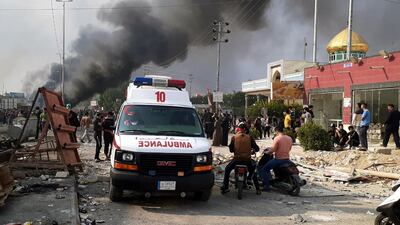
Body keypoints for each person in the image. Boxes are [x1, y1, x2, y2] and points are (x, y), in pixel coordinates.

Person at [220, 124, 261, 195]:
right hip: (247, 161)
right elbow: (257, 149)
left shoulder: (234, 137)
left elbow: (231, 150)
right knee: (253, 169)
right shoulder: (250, 137)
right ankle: (257, 188)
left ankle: (225, 187)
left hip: (236, 160)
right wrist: (252, 150)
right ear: (245, 130)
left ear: (239, 130)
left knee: (227, 169)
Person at [258, 125, 292, 191]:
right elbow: (289, 148)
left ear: (276, 131)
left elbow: (273, 149)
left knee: (264, 170)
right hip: (287, 159)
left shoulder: (277, 138)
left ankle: (266, 186)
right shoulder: (289, 138)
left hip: (278, 159)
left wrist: (267, 152)